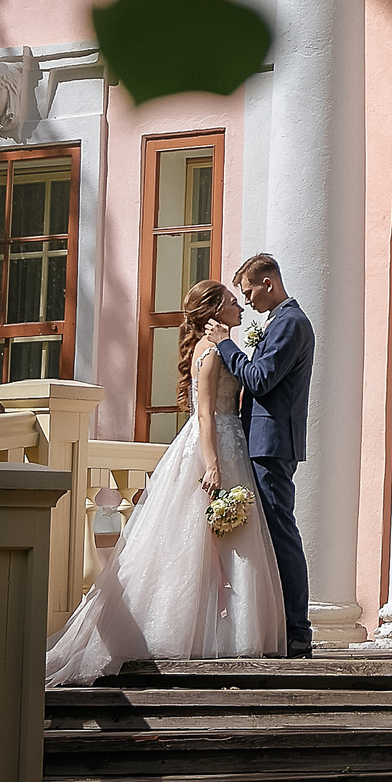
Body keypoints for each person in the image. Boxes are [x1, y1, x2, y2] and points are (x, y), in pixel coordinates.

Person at [45, 279, 285, 685]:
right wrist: (212, 465)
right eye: (232, 302)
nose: (240, 307)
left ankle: (222, 632)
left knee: (225, 542)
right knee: (201, 538)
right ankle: (189, 634)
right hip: (214, 445)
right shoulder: (212, 352)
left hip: (230, 443)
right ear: (215, 311)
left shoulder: (218, 346)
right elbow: (205, 413)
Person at [208, 253, 316, 657]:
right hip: (261, 442)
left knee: (281, 534)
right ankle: (279, 628)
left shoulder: (290, 323)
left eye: (249, 290)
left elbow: (259, 379)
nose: (247, 300)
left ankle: (298, 632)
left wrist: (226, 345)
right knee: (271, 536)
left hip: (271, 445)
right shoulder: (279, 321)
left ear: (268, 283)